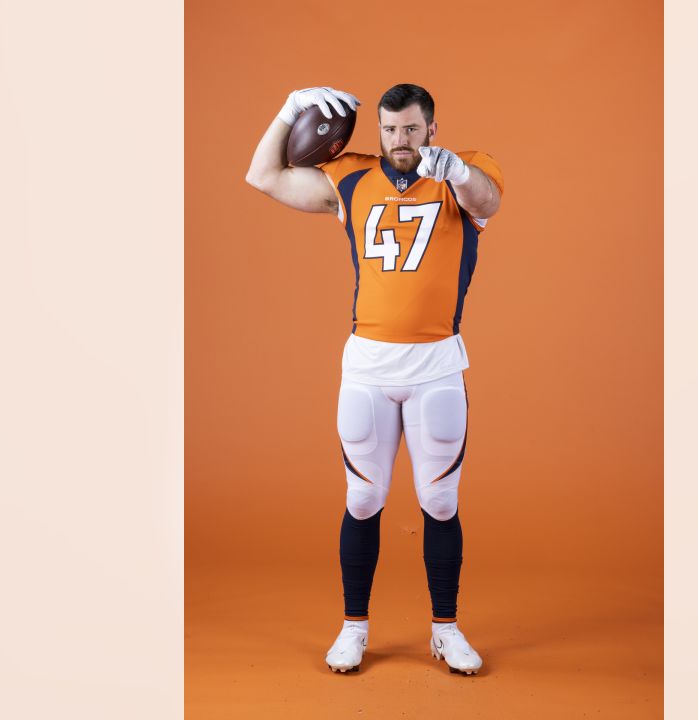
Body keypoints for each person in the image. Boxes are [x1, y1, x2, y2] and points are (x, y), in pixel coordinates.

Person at [245, 83, 504, 675]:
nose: (399, 141)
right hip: (367, 363)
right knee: (363, 498)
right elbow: (264, 176)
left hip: (436, 362)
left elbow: (487, 199)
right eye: (389, 130)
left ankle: (445, 629)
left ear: (432, 129)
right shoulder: (353, 179)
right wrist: (288, 109)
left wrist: (458, 171)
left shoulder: (464, 176)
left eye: (411, 130)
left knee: (439, 500)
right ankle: (354, 628)